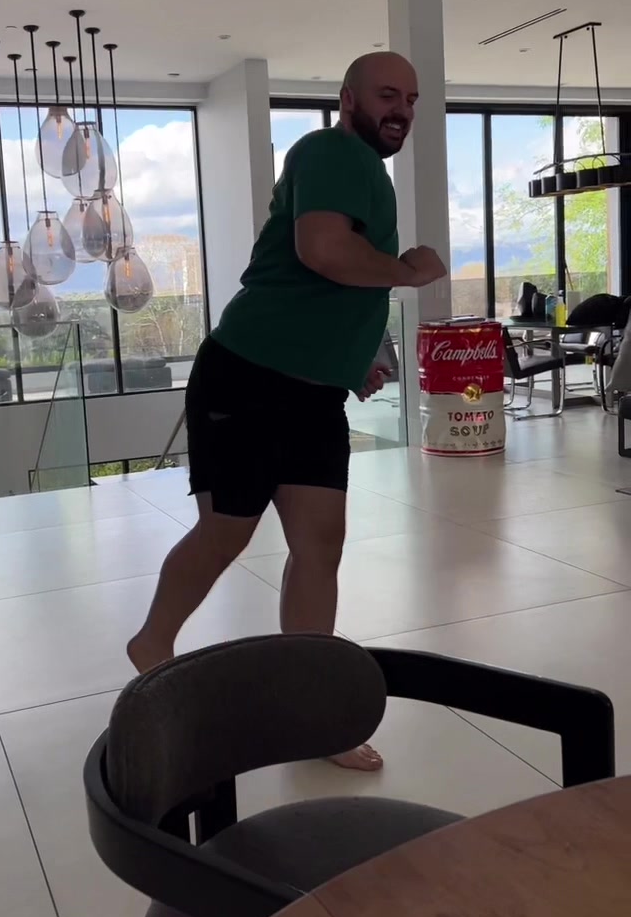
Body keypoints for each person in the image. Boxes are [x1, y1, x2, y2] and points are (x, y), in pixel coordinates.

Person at [128, 51, 447, 770]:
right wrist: (410, 270)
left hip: (311, 392)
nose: (401, 110)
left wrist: (352, 358)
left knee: (320, 545)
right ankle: (152, 642)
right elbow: (324, 251)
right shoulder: (332, 151)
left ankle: (311, 713)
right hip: (247, 376)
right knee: (226, 532)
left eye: (411, 99)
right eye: (387, 95)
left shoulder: (363, 170)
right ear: (349, 99)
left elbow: (327, 287)